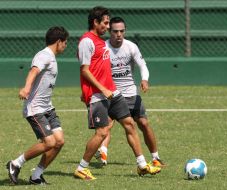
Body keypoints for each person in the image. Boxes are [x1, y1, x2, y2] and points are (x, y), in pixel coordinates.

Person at [74, 6, 161, 180]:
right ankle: (82, 168)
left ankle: (142, 165)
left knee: (130, 124)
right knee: (102, 132)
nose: (107, 26)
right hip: (99, 95)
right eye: (105, 23)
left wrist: (111, 88)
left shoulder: (99, 41)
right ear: (95, 22)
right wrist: (101, 89)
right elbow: (84, 70)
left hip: (113, 93)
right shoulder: (87, 41)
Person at [95, 17, 165, 167]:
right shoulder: (103, 48)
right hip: (112, 95)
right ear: (109, 31)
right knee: (107, 125)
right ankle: (102, 152)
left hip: (131, 94)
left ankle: (156, 158)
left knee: (144, 123)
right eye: (115, 31)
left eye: (122, 31)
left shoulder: (131, 47)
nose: (119, 34)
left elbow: (142, 65)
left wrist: (144, 79)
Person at [6, 26, 69, 185]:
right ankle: (16, 163)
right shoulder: (44, 55)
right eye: (65, 43)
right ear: (59, 41)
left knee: (59, 141)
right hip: (35, 109)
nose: (66, 46)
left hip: (48, 107)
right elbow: (34, 70)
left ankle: (36, 176)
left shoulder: (52, 57)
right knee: (49, 142)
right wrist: (26, 88)